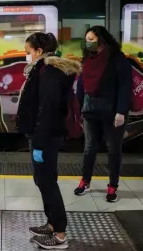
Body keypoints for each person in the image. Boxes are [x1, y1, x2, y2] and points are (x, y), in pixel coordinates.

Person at [16, 32, 81, 250]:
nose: (27, 56)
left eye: (28, 52)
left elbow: (49, 110)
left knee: (48, 183)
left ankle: (60, 234)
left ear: (39, 51)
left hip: (45, 137)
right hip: (42, 135)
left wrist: (40, 143)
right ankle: (52, 223)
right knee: (43, 181)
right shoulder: (44, 69)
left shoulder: (49, 72)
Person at [74, 26, 132, 202]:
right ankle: (85, 180)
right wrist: (79, 108)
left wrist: (121, 111)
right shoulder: (88, 59)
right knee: (89, 147)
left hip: (113, 111)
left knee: (113, 149)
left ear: (101, 39)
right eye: (87, 39)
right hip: (90, 109)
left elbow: (124, 85)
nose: (88, 42)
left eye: (91, 38)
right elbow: (82, 86)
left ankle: (112, 186)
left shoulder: (117, 58)